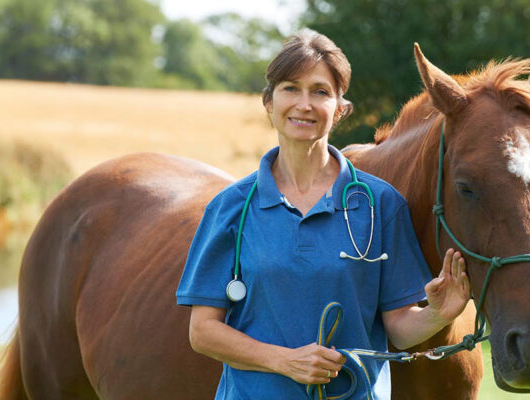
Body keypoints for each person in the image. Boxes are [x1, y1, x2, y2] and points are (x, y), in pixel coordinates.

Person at [175, 29, 469, 399]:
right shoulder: (231, 207)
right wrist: (283, 361)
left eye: (320, 91)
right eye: (290, 88)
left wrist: (439, 314)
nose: (304, 104)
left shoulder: (381, 205)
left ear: (340, 109)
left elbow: (397, 328)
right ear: (269, 102)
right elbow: (203, 331)